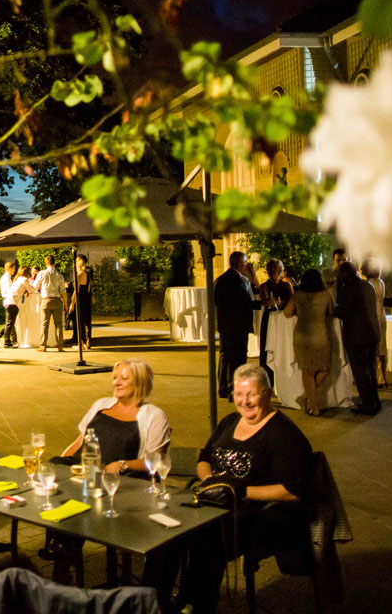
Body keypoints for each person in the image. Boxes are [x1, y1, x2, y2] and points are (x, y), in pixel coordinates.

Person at [145, 364, 313, 614]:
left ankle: (196, 606)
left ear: (267, 394)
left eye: (252, 394)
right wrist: (210, 481)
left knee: (206, 541)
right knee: (166, 534)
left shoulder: (282, 434)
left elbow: (291, 490)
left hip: (257, 515)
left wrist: (240, 492)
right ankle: (151, 604)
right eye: (238, 394)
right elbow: (204, 458)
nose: (244, 401)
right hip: (214, 503)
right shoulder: (230, 421)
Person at [56, 358, 170, 472]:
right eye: (115, 378)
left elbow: (155, 461)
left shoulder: (154, 415)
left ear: (140, 382)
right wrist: (61, 466)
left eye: (124, 378)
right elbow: (80, 442)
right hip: (83, 469)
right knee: (53, 465)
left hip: (118, 478)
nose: (116, 382)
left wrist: (123, 465)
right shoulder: (101, 404)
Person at [282, 269, 336, 416]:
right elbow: (331, 312)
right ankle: (314, 406)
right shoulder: (326, 295)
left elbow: (287, 313)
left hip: (302, 336)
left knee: (307, 371)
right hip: (321, 336)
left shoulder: (298, 296)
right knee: (323, 369)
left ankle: (305, 397)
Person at [335, 261, 382, 415]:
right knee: (371, 369)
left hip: (358, 336)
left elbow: (344, 311)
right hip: (372, 333)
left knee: (361, 371)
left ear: (344, 274)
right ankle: (375, 400)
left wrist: (332, 310)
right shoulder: (367, 286)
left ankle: (368, 404)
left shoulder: (349, 289)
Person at [214, 251, 261, 399]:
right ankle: (232, 389)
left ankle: (222, 387)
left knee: (225, 356)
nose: (246, 265)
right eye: (245, 262)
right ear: (241, 264)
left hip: (225, 324)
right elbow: (242, 303)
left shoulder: (220, 279)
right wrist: (260, 303)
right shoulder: (238, 281)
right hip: (237, 325)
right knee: (237, 358)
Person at [256, 259, 293, 388]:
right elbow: (264, 300)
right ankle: (267, 381)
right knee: (267, 348)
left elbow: (292, 302)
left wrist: (283, 304)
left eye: (276, 270)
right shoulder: (264, 286)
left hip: (284, 321)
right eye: (270, 270)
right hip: (269, 319)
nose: (273, 272)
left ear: (281, 271)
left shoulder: (287, 286)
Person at [362, 258, 389, 388]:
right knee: (382, 347)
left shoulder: (369, 284)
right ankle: (383, 376)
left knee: (373, 348)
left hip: (372, 317)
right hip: (382, 316)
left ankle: (374, 375)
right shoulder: (381, 283)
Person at [35, 254, 67, 352]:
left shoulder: (42, 273)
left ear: (46, 263)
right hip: (57, 300)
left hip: (46, 300)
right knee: (59, 324)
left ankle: (43, 345)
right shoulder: (59, 275)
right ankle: (60, 345)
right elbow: (63, 291)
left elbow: (35, 285)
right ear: (55, 263)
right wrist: (66, 304)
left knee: (44, 324)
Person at [67, 253, 94, 350]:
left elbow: (76, 291)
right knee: (87, 321)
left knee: (79, 321)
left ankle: (81, 344)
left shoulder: (78, 275)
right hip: (87, 298)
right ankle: (87, 341)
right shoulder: (87, 274)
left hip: (80, 299)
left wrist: (72, 303)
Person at [12, 266, 40, 348]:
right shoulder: (24, 280)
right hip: (15, 302)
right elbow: (31, 289)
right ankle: (9, 341)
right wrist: (34, 287)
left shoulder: (18, 279)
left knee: (12, 322)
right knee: (11, 322)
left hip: (13, 301)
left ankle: (14, 340)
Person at [0, 262, 19, 348]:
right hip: (9, 300)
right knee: (10, 322)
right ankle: (6, 340)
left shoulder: (5, 278)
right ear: (10, 269)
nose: (14, 271)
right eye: (14, 269)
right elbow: (10, 290)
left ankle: (12, 339)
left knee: (9, 322)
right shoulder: (6, 278)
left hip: (6, 300)